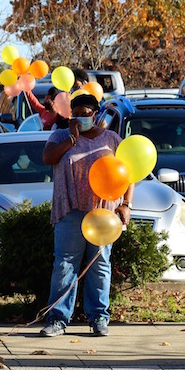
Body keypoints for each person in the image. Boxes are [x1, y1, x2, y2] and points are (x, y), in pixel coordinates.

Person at [39, 91, 132, 338]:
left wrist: (126, 204)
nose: (81, 119)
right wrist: (72, 137)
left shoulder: (111, 139)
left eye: (86, 115)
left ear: (97, 114)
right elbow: (48, 157)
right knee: (64, 266)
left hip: (103, 212)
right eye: (76, 115)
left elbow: (128, 172)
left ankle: (99, 318)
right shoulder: (61, 135)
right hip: (70, 210)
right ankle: (57, 319)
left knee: (99, 266)